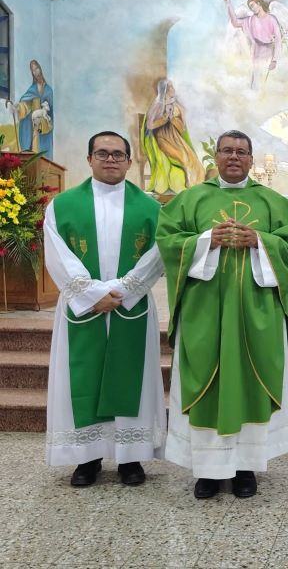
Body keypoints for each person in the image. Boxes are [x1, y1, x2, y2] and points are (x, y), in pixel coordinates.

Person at [157, 129, 288, 498]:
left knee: (251, 382)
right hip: (204, 311)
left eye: (241, 151)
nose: (234, 157)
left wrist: (260, 241)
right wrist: (207, 240)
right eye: (227, 150)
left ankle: (245, 468)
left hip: (256, 314)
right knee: (205, 382)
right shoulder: (190, 199)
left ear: (252, 159)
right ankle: (207, 471)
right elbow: (168, 243)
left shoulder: (272, 202)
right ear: (216, 157)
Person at [43, 131, 165, 487]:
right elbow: (57, 254)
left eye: (117, 154)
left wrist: (124, 290)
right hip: (84, 309)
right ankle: (87, 458)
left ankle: (131, 458)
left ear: (129, 160)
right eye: (102, 153)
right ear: (89, 159)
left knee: (132, 376)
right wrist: (91, 294)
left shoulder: (151, 208)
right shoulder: (62, 205)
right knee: (84, 378)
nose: (110, 159)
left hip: (131, 307)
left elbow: (159, 252)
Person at [141, 79, 205, 194]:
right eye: (171, 87)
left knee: (193, 161)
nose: (173, 89)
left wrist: (174, 120)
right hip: (162, 139)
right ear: (165, 90)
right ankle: (187, 185)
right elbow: (150, 125)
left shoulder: (177, 106)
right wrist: (164, 119)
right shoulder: (158, 105)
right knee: (183, 159)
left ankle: (194, 188)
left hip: (176, 139)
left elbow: (182, 128)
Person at [223, 0, 282, 89]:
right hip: (257, 57)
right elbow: (235, 22)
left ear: (259, 3)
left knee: (271, 85)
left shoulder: (271, 19)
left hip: (270, 55)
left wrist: (274, 60)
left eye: (252, 5)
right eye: (250, 7)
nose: (252, 9)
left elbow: (278, 40)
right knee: (255, 84)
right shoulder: (250, 20)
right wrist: (228, 4)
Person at [14, 60, 54, 159]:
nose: (36, 72)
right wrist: (19, 107)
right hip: (33, 128)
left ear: (40, 69)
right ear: (32, 73)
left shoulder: (49, 90)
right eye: (33, 70)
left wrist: (44, 123)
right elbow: (26, 104)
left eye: (36, 68)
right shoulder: (32, 89)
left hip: (44, 131)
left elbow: (50, 113)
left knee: (44, 157)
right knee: (34, 153)